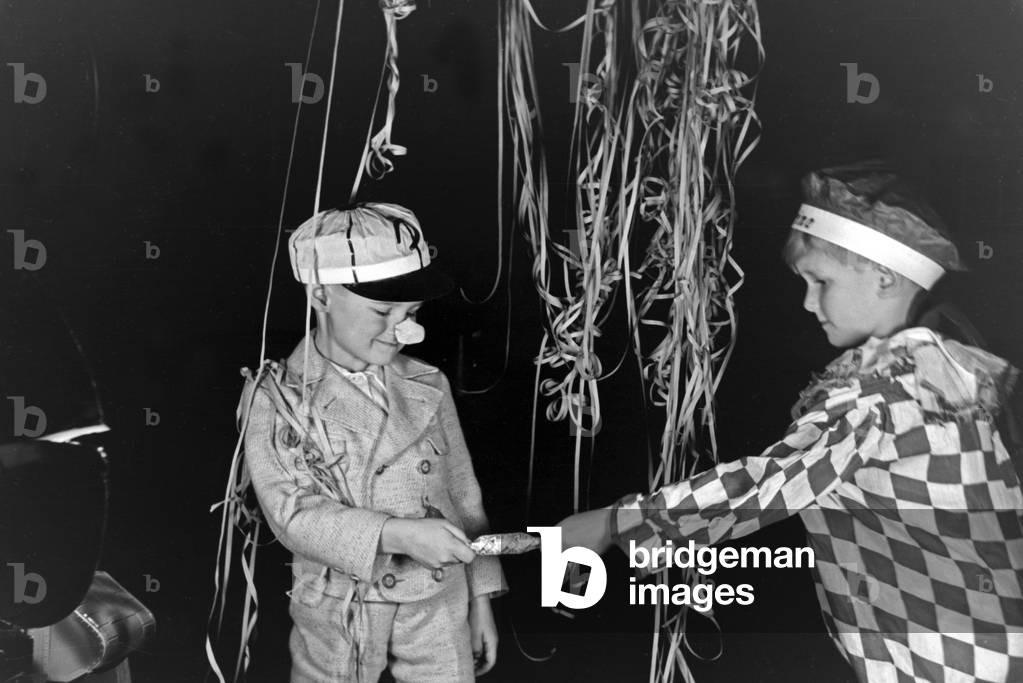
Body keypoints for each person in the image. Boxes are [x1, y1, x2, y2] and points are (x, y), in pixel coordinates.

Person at [559, 162, 1023, 682]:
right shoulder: (943, 366)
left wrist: (610, 524)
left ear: (886, 276)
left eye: (820, 280)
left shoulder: (887, 387)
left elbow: (773, 481)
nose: (807, 302)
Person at [241, 203, 507, 682]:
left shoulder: (429, 383)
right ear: (321, 294)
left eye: (413, 312)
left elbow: (465, 499)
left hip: (439, 597)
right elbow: (292, 514)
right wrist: (397, 535)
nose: (404, 331)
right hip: (340, 604)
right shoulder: (281, 397)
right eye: (383, 311)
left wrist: (480, 601)